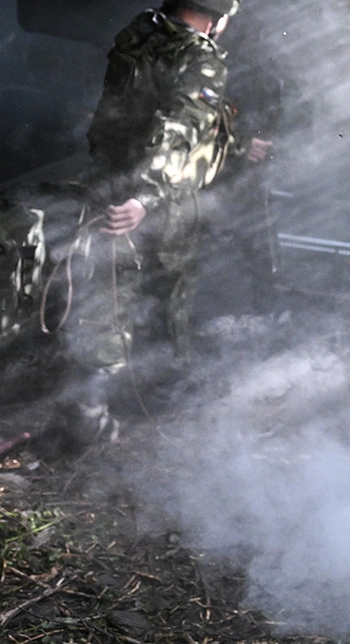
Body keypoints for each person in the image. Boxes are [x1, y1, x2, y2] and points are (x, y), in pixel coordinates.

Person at [56, 0, 259, 445]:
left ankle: (96, 404)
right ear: (215, 16)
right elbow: (177, 131)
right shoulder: (200, 57)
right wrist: (144, 198)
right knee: (160, 292)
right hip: (157, 199)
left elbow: (140, 117)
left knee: (108, 288)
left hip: (109, 181)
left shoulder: (142, 34)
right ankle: (139, 405)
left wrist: (238, 146)